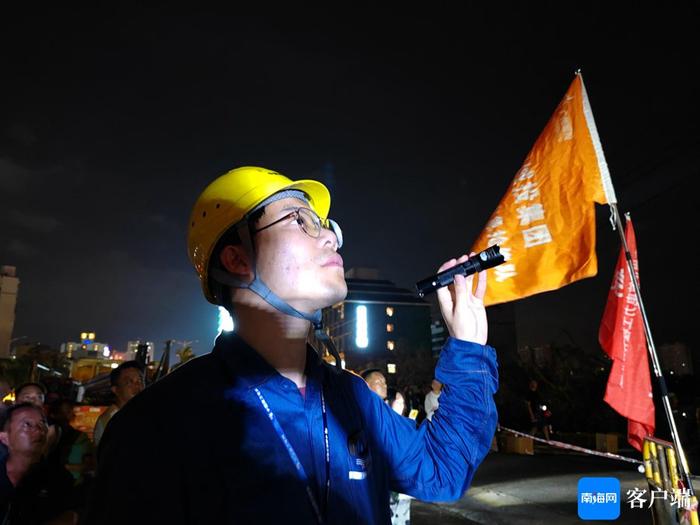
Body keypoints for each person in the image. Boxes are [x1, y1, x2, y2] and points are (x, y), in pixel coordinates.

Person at [83, 166, 498, 524]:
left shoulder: (350, 397)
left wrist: (468, 349)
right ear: (237, 260)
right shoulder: (160, 425)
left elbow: (441, 471)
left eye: (325, 225)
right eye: (301, 220)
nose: (332, 238)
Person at [0, 402, 77, 524]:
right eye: (27, 424)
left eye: (42, 424)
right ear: (5, 438)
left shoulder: (59, 477)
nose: (39, 430)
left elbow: (70, 516)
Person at [92, 361, 145, 448]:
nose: (137, 386)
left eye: (140, 381)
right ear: (115, 390)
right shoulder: (112, 420)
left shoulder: (139, 414)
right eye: (129, 382)